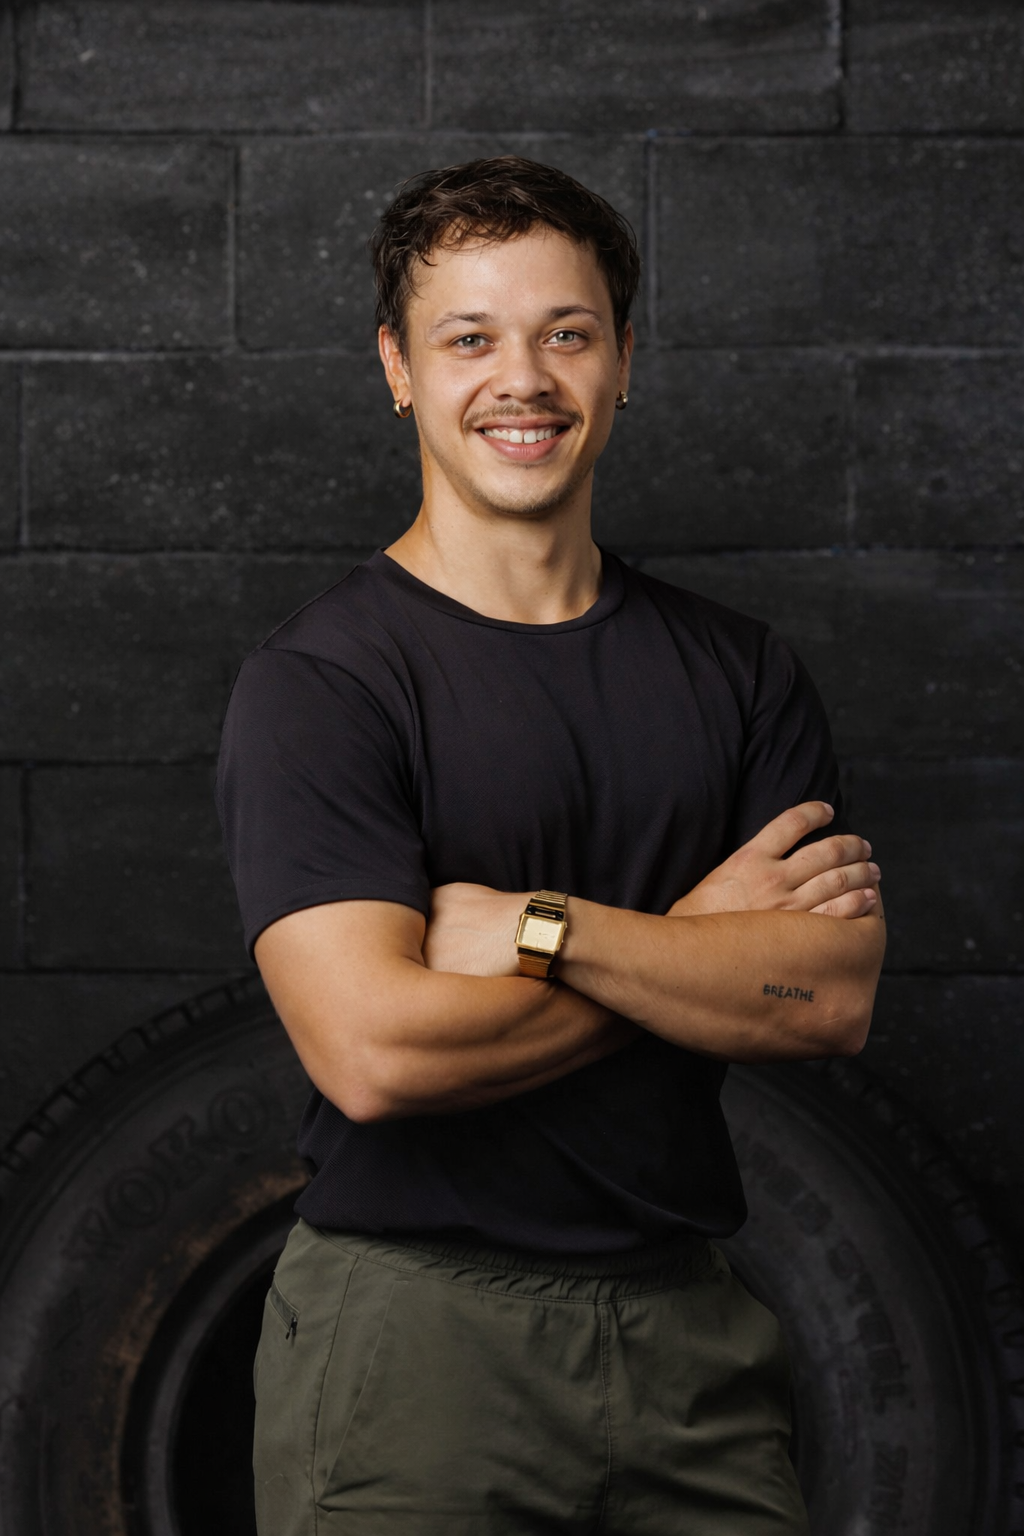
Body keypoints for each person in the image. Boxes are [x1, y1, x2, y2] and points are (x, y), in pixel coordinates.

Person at [217, 155, 885, 1535]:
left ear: (625, 360)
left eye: (565, 334)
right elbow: (379, 1052)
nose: (521, 379)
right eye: (470, 338)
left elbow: (826, 996)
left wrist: (547, 929)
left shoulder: (742, 673)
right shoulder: (325, 684)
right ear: (398, 367)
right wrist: (700, 954)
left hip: (695, 1336)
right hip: (415, 1338)